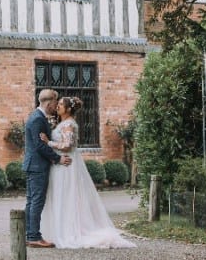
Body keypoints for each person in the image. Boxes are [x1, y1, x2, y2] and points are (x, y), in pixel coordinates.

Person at [40, 96, 135, 249]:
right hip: (61, 163)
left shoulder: (69, 124)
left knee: (67, 196)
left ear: (68, 109)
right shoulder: (63, 123)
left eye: (60, 105)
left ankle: (70, 232)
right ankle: (61, 229)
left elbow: (68, 145)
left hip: (67, 164)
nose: (57, 106)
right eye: (57, 104)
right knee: (61, 195)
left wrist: (48, 142)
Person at [23, 88, 72, 248]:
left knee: (32, 201)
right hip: (37, 165)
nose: (56, 107)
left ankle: (29, 234)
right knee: (36, 201)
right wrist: (57, 158)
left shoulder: (37, 116)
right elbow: (38, 145)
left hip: (34, 165)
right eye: (55, 103)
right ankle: (34, 236)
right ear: (49, 103)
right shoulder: (37, 119)